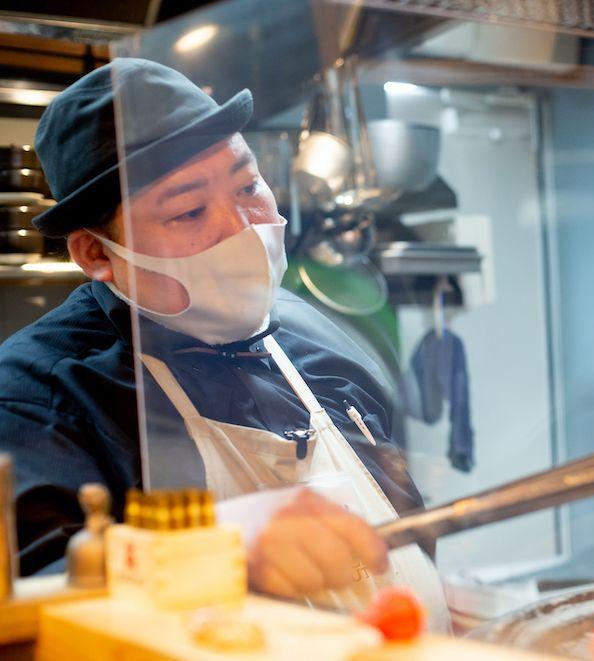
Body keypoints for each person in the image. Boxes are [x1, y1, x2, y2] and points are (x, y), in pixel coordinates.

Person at [0, 58, 447, 626]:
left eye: (248, 185)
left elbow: (404, 534)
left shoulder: (319, 340)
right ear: (96, 254)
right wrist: (212, 545)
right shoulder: (39, 399)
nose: (243, 228)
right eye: (188, 211)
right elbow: (31, 617)